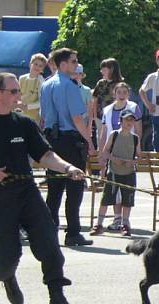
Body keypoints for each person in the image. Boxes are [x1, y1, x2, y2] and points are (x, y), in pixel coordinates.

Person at [0, 72, 85, 304]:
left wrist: (68, 167)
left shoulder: (24, 124)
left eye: (18, 91)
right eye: (14, 91)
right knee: (7, 256)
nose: (19, 95)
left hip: (26, 191)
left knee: (49, 243)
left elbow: (45, 155)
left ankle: (57, 299)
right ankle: (6, 275)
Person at [40, 48, 94, 246]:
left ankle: (49, 230)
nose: (75, 64)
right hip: (70, 139)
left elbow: (44, 116)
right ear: (62, 64)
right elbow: (77, 118)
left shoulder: (46, 85)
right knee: (74, 187)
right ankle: (72, 232)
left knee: (54, 188)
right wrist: (89, 141)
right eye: (73, 61)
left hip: (52, 139)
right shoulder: (70, 86)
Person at [96, 82, 142, 230]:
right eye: (119, 92)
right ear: (114, 93)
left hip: (128, 160)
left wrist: (134, 159)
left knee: (126, 195)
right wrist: (103, 156)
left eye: (124, 92)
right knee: (110, 194)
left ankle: (124, 222)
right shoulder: (108, 110)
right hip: (113, 157)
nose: (121, 94)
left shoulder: (134, 107)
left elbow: (138, 136)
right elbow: (103, 134)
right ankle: (109, 221)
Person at [91, 109, 141, 237]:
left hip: (129, 173)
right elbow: (105, 151)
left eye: (131, 120)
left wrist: (133, 162)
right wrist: (114, 159)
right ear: (120, 121)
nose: (129, 122)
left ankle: (125, 225)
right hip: (113, 172)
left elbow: (138, 156)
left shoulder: (135, 138)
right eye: (126, 119)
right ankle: (99, 224)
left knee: (127, 201)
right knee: (106, 199)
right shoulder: (114, 135)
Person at [91, 58, 124, 147]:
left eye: (104, 69)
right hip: (100, 116)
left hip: (115, 116)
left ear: (112, 69)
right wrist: (94, 115)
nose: (101, 71)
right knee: (101, 138)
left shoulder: (120, 84)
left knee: (114, 138)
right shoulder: (100, 83)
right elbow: (95, 98)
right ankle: (101, 158)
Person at [18, 53, 47, 126]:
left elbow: (42, 102)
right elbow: (18, 95)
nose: (37, 67)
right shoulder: (22, 78)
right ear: (30, 64)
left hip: (34, 118)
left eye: (40, 66)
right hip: (20, 115)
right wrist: (18, 104)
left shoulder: (41, 81)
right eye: (35, 64)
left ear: (42, 69)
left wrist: (27, 106)